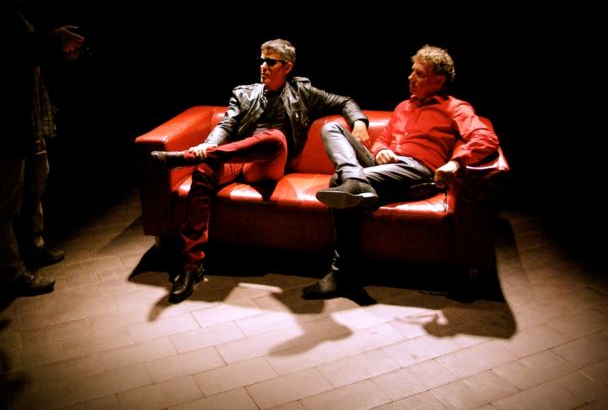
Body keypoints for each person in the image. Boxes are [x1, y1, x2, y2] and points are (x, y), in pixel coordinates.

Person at [151, 38, 371, 303]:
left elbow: (344, 101)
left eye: (271, 62)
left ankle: (186, 158)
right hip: (236, 159)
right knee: (203, 171)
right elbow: (226, 125)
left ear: (287, 67)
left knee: (275, 137)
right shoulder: (244, 93)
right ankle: (191, 265)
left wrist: (359, 122)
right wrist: (208, 145)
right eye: (261, 60)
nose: (263, 66)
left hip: (268, 164)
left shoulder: (303, 92)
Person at [302, 44, 500, 300]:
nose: (410, 78)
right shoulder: (403, 107)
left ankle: (341, 273)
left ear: (439, 80)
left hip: (419, 172)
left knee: (337, 182)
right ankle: (354, 178)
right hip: (384, 167)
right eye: (412, 71)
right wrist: (382, 150)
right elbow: (382, 141)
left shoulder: (456, 108)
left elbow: (486, 137)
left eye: (419, 74)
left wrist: (455, 163)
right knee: (331, 128)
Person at [0, 0, 85, 296]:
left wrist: (58, 49)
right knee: (2, 203)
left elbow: (28, 59)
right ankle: (10, 273)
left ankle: (33, 246)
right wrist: (55, 41)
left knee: (34, 185)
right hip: (0, 128)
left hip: (28, 119)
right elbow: (9, 57)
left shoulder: (18, 16)